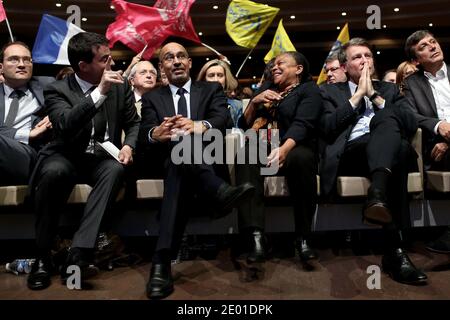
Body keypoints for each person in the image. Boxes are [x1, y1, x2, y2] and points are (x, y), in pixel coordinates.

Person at [139, 42, 255, 299]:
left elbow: (221, 120)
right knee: (178, 149)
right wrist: (155, 134)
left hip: (207, 158)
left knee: (184, 146)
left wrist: (197, 125)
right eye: (169, 58)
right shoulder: (151, 98)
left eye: (182, 56)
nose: (177, 61)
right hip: (169, 161)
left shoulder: (211, 89)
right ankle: (220, 191)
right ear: (162, 67)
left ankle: (161, 262)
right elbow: (145, 133)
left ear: (190, 63)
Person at [27, 32, 140, 290]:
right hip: (65, 155)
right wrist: (100, 92)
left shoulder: (121, 86)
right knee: (53, 172)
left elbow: (133, 122)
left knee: (114, 170)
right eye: (104, 59)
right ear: (83, 66)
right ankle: (42, 257)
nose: (111, 62)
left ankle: (78, 253)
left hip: (100, 158)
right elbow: (65, 125)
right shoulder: (56, 89)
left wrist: (128, 144)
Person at [320, 38, 427, 285]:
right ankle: (396, 252)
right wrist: (358, 96)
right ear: (345, 67)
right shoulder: (328, 91)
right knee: (396, 144)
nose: (365, 60)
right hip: (353, 153)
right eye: (357, 57)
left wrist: (376, 98)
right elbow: (326, 128)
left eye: (368, 55)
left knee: (388, 124)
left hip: (389, 153)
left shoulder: (389, 89)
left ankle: (378, 194)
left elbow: (411, 124)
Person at [236, 51, 323, 264]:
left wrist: (283, 149)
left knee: (302, 159)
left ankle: (303, 237)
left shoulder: (309, 90)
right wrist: (254, 102)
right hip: (263, 143)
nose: (274, 67)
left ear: (298, 69)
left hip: (295, 144)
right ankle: (256, 237)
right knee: (246, 153)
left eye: (281, 63)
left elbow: (304, 123)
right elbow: (244, 125)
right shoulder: (266, 88)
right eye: (273, 64)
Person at [403, 30, 450, 253]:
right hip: (436, 147)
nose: (432, 46)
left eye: (433, 41)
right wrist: (438, 125)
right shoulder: (411, 84)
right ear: (415, 60)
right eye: (423, 46)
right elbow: (411, 116)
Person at [0, 41, 53, 186]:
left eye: (27, 60)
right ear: (1, 67)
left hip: (29, 154)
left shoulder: (48, 85)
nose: (22, 64)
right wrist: (27, 134)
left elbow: (76, 103)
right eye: (14, 59)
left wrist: (56, 113)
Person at [197, 58, 242, 127]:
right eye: (211, 75)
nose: (216, 80)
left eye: (220, 75)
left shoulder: (237, 105)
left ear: (226, 79)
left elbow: (239, 133)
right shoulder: (194, 103)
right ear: (203, 79)